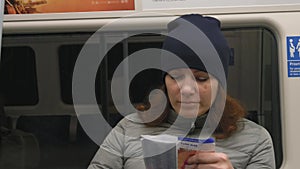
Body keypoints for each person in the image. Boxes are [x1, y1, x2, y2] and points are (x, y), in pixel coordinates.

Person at [87, 14, 275, 169]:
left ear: (221, 84)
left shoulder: (255, 140)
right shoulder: (127, 128)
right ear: (165, 81)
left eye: (201, 78)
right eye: (176, 76)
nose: (186, 89)